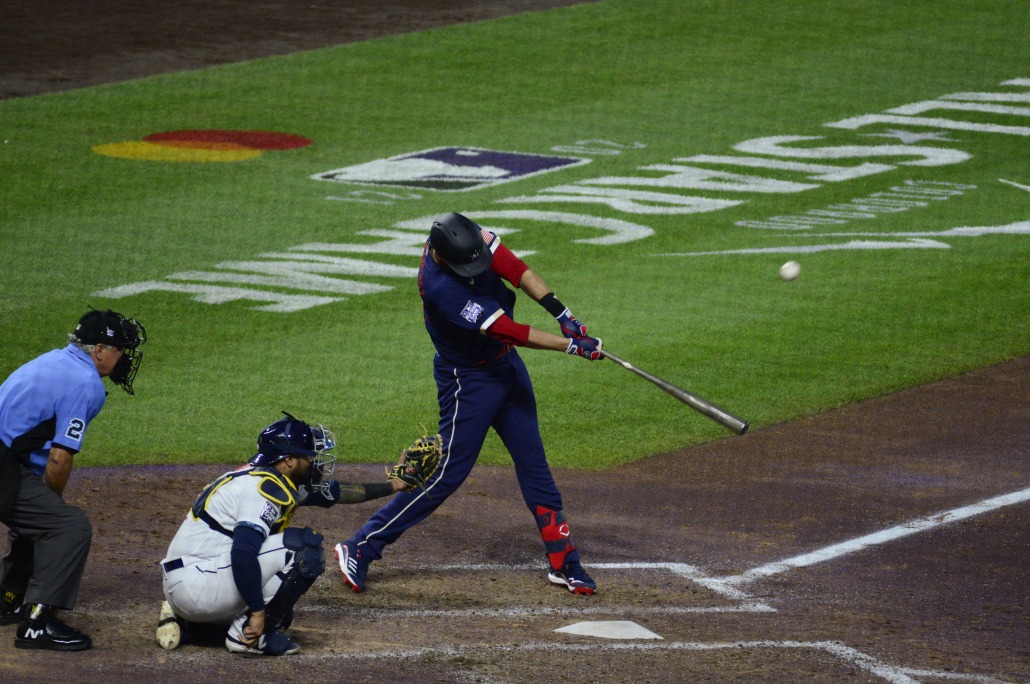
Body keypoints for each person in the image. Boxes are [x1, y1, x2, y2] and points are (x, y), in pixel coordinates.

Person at [334, 212, 604, 597]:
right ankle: (361, 544)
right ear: (443, 258)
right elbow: (508, 331)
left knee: (534, 464)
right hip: (469, 383)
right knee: (445, 475)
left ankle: (564, 560)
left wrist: (562, 314)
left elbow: (515, 269)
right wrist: (570, 345)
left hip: (505, 368)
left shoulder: (468, 237)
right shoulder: (441, 287)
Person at [157, 412, 409, 656]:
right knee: (304, 550)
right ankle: (247, 637)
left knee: (281, 607)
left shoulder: (269, 477)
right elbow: (243, 553)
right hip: (197, 584)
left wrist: (394, 485)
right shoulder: (259, 490)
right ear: (288, 460)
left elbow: (335, 492)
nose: (315, 462)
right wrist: (257, 613)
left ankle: (191, 628)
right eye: (309, 456)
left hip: (194, 579)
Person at [0, 308, 146, 651]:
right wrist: (52, 503)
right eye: (120, 349)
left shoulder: (52, 361)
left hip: (6, 461)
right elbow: (59, 457)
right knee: (68, 527)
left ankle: (8, 597)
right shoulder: (85, 383)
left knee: (41, 516)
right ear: (98, 350)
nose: (123, 357)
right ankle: (37, 623)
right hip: (3, 467)